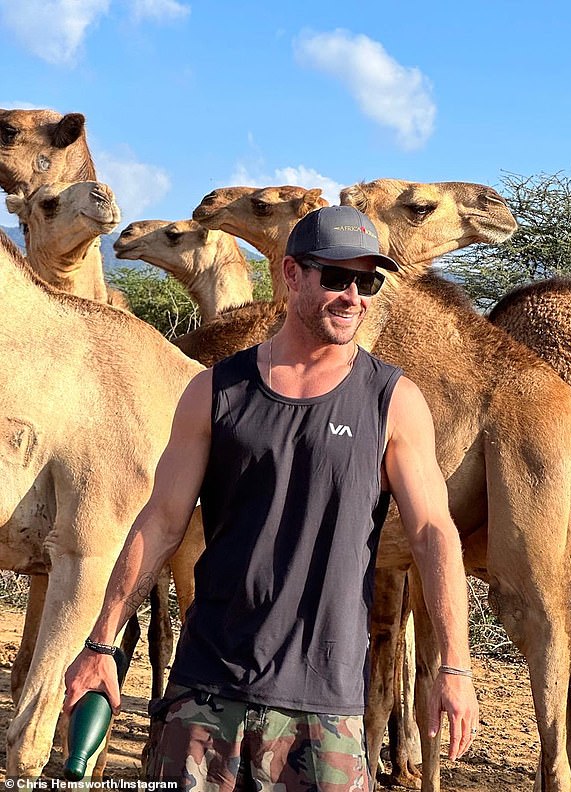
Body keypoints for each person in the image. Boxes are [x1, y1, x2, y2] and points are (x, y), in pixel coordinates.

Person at [64, 205, 478, 791]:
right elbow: (160, 522)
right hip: (204, 694)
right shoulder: (216, 389)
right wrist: (102, 641)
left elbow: (434, 532)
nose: (354, 296)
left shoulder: (393, 402)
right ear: (291, 275)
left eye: (368, 282)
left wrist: (454, 666)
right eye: (336, 277)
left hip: (325, 707)